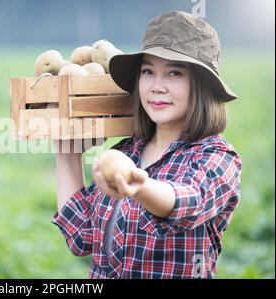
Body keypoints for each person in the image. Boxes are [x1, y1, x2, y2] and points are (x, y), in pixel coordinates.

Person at [52, 10, 242, 279]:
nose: (157, 86)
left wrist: (139, 185)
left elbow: (189, 202)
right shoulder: (125, 152)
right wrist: (66, 152)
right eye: (148, 71)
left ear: (202, 86)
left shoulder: (216, 157)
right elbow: (82, 237)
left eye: (174, 73)